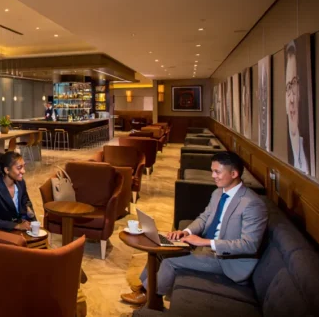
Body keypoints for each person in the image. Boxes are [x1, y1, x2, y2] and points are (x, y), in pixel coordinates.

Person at [121, 152, 268, 306]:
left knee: (170, 262)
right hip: (207, 248)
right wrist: (187, 232)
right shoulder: (218, 193)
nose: (213, 176)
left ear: (234, 173)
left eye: (217, 172)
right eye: (212, 171)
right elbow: (204, 218)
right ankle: (145, 286)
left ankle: (150, 295)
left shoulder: (252, 204)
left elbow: (249, 245)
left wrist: (205, 242)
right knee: (160, 248)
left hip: (226, 261)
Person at [0, 151, 35, 231]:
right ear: (7, 170)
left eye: (23, 167)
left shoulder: (21, 183)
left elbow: (26, 204)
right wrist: (17, 226)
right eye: (19, 168)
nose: (23, 171)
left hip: (20, 229)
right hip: (3, 233)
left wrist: (34, 223)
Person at [284, 41, 309, 174]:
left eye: (294, 85)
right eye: (288, 88)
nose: (291, 99)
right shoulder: (288, 150)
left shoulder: (308, 151)